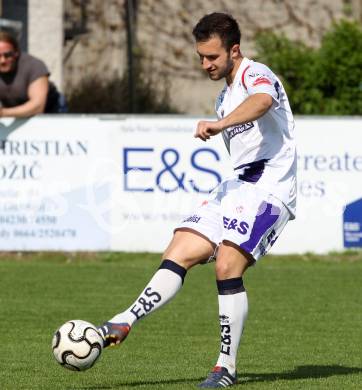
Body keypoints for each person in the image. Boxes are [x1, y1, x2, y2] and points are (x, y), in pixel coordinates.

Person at [98, 12, 297, 388]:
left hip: (270, 189)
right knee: (179, 249)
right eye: (201, 57)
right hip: (237, 186)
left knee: (226, 264)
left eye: (212, 57)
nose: (206, 64)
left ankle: (225, 367)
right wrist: (223, 118)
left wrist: (219, 124)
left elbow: (263, 100)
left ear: (234, 50)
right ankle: (124, 320)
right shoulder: (224, 96)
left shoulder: (256, 74)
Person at [0, 31, 66, 117]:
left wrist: (3, 113)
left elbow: (37, 107)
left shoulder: (34, 66)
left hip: (50, 108)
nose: (2, 60)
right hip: (15, 107)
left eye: (7, 55)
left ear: (16, 53)